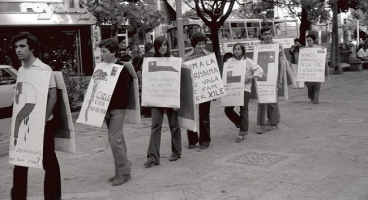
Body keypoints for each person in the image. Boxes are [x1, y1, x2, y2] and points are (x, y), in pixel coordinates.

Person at [10, 32, 60, 199]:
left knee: (49, 164)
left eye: (22, 46)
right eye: (16, 46)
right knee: (20, 164)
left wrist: (43, 120)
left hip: (43, 125)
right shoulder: (21, 69)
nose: (18, 50)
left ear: (32, 47)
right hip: (25, 124)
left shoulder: (44, 68)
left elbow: (52, 96)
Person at [98, 38, 133, 186]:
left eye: (104, 51)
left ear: (113, 52)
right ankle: (122, 170)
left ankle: (124, 173)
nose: (102, 55)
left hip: (117, 109)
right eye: (101, 51)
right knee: (119, 139)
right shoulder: (103, 67)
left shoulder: (122, 69)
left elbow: (120, 93)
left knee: (114, 140)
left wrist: (108, 106)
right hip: (108, 109)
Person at [144, 36, 182, 167]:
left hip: (170, 97)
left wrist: (176, 100)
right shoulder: (150, 61)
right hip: (156, 99)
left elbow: (177, 81)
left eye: (165, 45)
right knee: (155, 126)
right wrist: (148, 98)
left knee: (174, 126)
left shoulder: (173, 61)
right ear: (156, 47)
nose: (163, 47)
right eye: (160, 45)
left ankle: (176, 152)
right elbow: (148, 81)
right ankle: (153, 157)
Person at [224, 43, 263, 142]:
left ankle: (242, 132)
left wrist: (250, 77)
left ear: (243, 51)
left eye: (239, 49)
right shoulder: (230, 61)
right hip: (233, 88)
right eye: (235, 49)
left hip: (244, 88)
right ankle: (240, 123)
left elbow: (260, 70)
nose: (236, 51)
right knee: (227, 110)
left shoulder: (248, 61)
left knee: (243, 110)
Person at [184, 32, 212, 149]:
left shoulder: (208, 55)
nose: (202, 46)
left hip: (205, 89)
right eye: (199, 44)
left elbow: (212, 73)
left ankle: (205, 140)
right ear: (194, 45)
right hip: (192, 90)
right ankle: (192, 140)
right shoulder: (187, 57)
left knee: (204, 115)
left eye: (203, 44)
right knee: (192, 115)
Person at [256, 26, 283, 134]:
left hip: (273, 77)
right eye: (265, 34)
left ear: (272, 34)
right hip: (262, 77)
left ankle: (274, 123)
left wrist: (280, 80)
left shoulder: (277, 46)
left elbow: (282, 65)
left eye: (269, 34)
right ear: (261, 36)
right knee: (262, 101)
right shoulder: (258, 47)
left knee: (272, 101)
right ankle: (262, 123)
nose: (267, 36)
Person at [304, 34, 325, 104]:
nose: (308, 42)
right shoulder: (305, 49)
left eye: (310, 40)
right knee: (308, 83)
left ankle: (315, 98)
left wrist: (322, 51)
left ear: (314, 40)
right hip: (308, 71)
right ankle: (311, 93)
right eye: (307, 40)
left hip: (317, 70)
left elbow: (323, 57)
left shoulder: (319, 48)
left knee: (317, 85)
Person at [136, 42, 154, 117]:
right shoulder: (155, 55)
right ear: (152, 48)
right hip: (154, 77)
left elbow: (137, 67)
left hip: (145, 77)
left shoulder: (142, 56)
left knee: (146, 94)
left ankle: (147, 111)